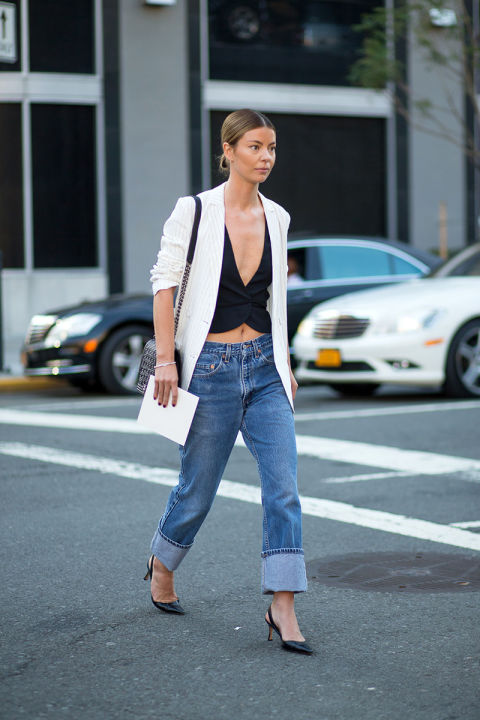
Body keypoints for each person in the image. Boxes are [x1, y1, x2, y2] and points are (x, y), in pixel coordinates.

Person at [145, 108, 312, 654]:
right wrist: (165, 361)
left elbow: (275, 300)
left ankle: (282, 603)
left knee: (284, 488)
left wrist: (285, 366)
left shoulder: (278, 217)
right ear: (229, 150)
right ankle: (162, 561)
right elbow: (165, 286)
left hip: (265, 367)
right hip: (209, 369)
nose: (266, 157)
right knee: (198, 489)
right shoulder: (194, 211)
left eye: (272, 148)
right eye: (255, 147)